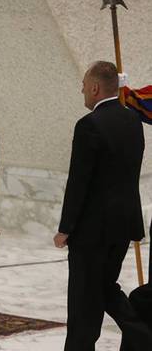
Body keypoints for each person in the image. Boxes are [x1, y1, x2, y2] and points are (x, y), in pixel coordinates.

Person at [53, 61, 152, 351]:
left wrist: (65, 228)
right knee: (105, 288)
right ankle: (142, 336)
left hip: (92, 229)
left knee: (84, 297)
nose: (82, 89)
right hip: (123, 224)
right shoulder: (133, 120)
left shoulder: (89, 125)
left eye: (84, 84)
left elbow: (80, 182)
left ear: (95, 88)